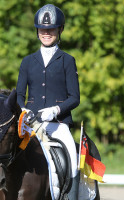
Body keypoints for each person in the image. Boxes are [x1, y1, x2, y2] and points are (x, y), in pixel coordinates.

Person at [16, 4, 80, 199]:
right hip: (32, 126)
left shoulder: (67, 60)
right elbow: (19, 94)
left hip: (58, 126)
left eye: (51, 29)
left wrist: (55, 110)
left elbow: (75, 98)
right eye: (43, 29)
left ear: (59, 30)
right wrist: (23, 110)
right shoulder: (27, 61)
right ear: (37, 31)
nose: (46, 33)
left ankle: (72, 197)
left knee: (73, 160)